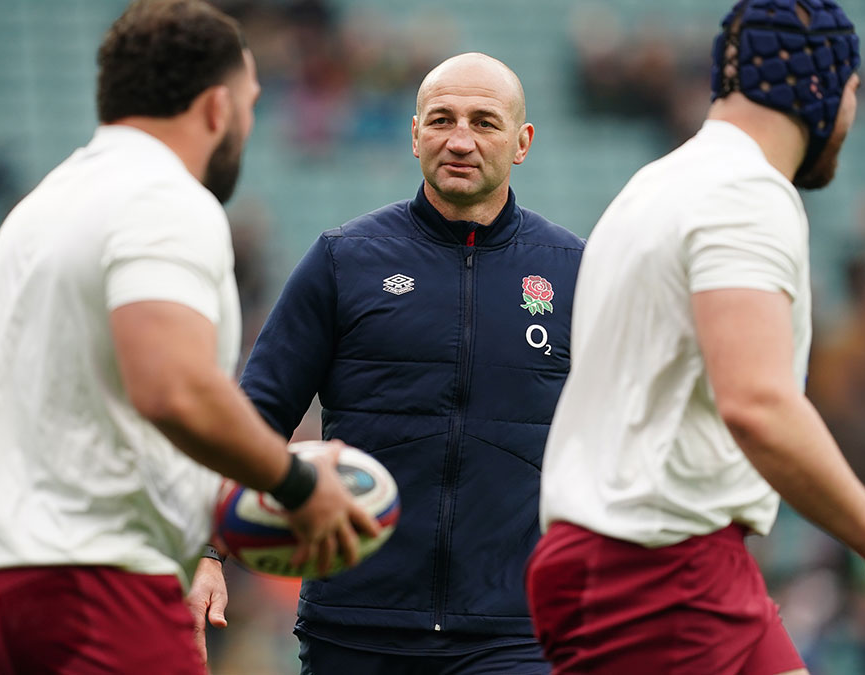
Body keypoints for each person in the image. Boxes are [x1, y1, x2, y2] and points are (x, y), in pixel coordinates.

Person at [0, 2, 377, 673]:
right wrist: (294, 484)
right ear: (218, 107)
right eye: (252, 103)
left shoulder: (36, 209)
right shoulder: (165, 197)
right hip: (93, 584)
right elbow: (173, 388)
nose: (248, 127)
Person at [527, 1, 865, 673]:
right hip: (653, 564)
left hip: (664, 551)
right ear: (823, 89)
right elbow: (757, 402)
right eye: (854, 94)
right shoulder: (745, 194)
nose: (852, 116)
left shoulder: (652, 188)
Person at [188, 52, 584, 674]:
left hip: (515, 631)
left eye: (484, 122)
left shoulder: (575, 270)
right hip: (356, 623)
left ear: (522, 141)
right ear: (414, 133)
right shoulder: (345, 260)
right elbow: (257, 412)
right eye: (442, 120)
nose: (460, 140)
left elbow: (618, 436)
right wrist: (208, 553)